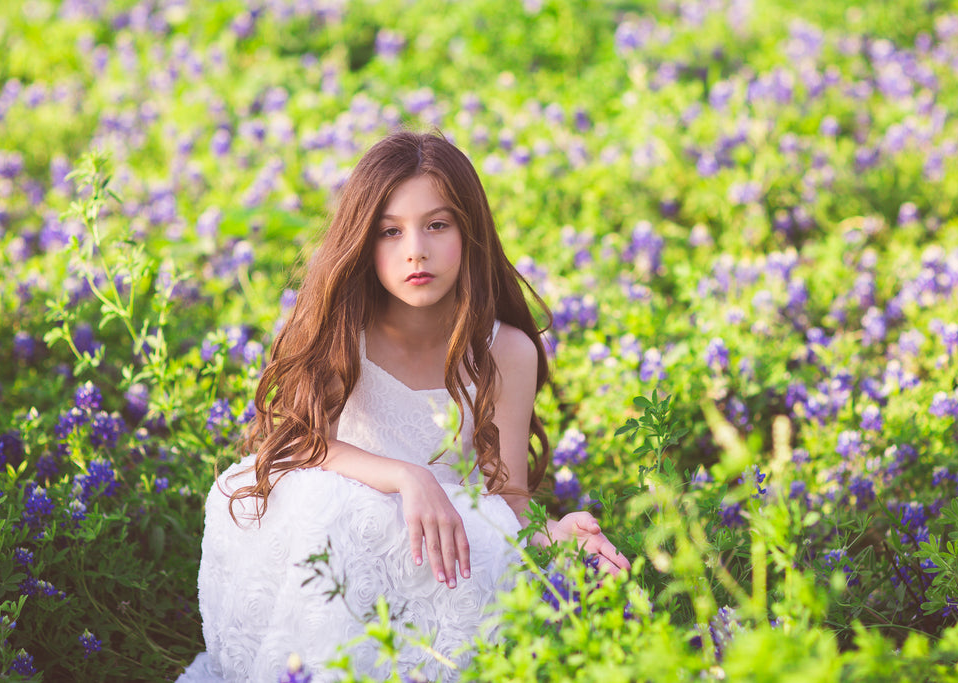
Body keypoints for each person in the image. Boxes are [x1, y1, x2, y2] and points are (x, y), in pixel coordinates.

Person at [178, 131, 629, 683]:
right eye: (390, 231)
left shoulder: (505, 348)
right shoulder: (341, 330)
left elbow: (505, 499)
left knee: (467, 541)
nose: (415, 249)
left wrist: (554, 533)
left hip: (435, 556)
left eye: (437, 225)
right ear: (364, 242)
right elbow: (297, 443)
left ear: (469, 232)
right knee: (337, 503)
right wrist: (404, 476)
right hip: (335, 543)